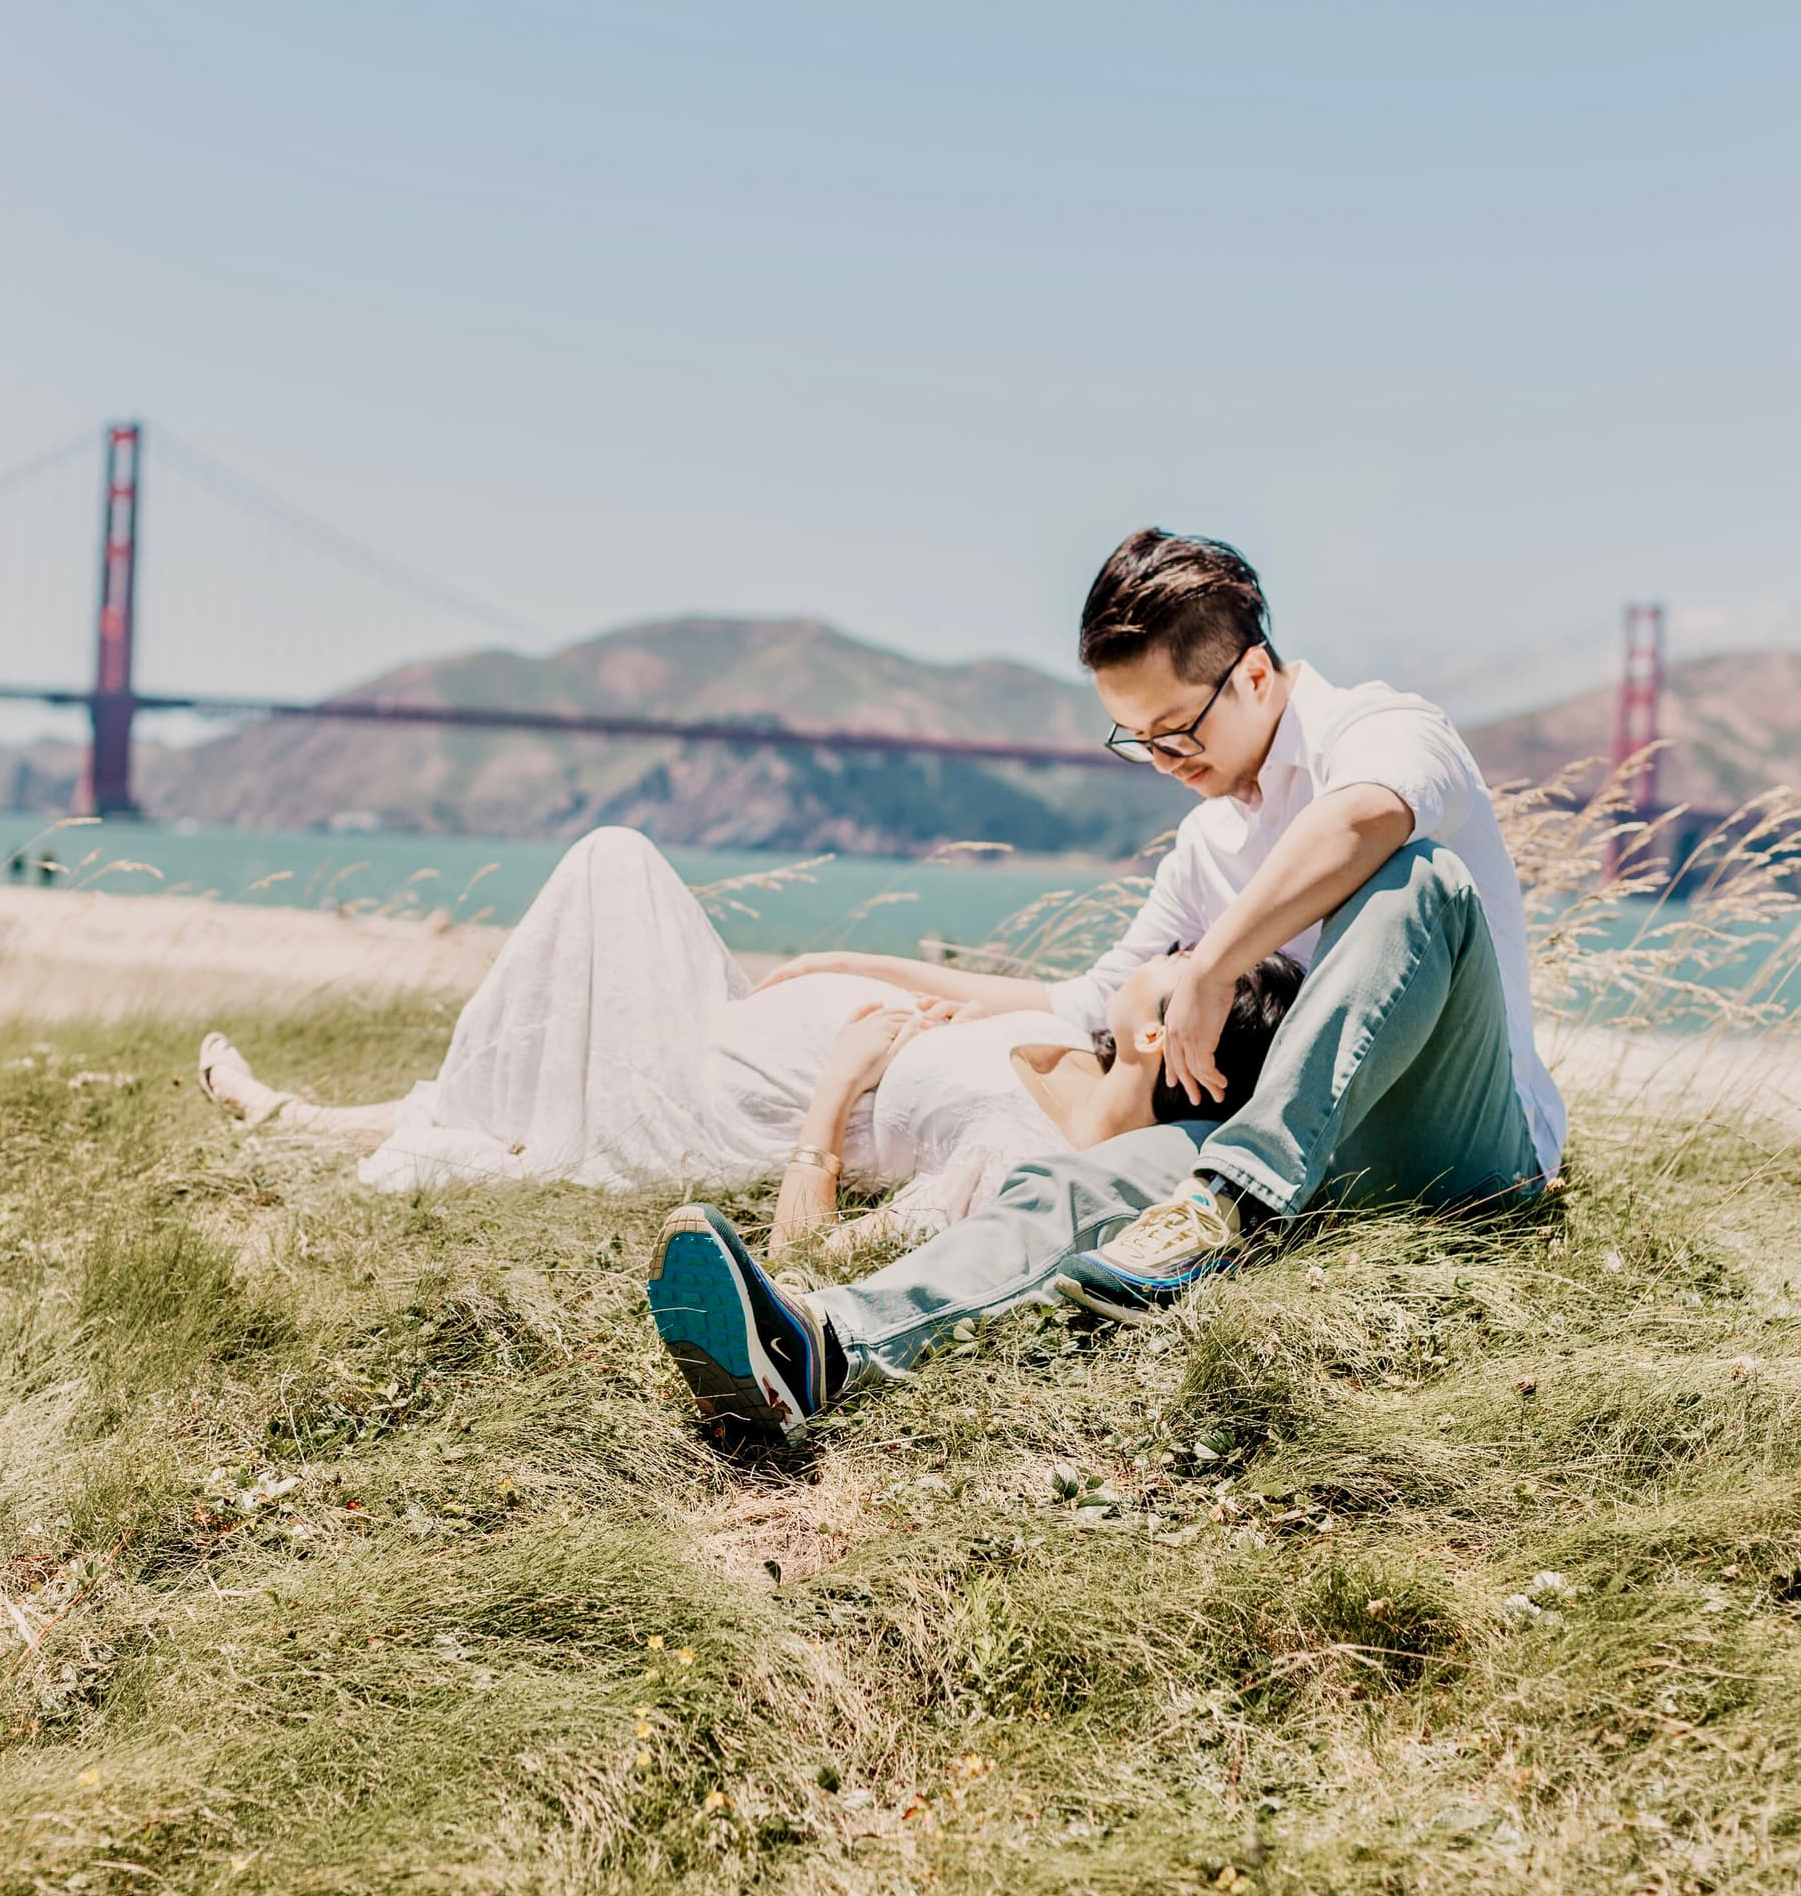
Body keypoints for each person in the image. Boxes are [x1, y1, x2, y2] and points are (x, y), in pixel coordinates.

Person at [643, 529, 1565, 1436]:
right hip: (1304, 1172)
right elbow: (1084, 1000)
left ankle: (1228, 1196)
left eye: (1177, 732)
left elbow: (1369, 816)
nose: (1165, 763)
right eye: (1137, 741)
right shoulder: (1208, 842)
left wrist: (1214, 962)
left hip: (1466, 1146)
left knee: (1417, 877)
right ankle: (821, 1348)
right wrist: (857, 966)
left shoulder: (1381, 727)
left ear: (1252, 674)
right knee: (1066, 1184)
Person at [196, 826, 1300, 1263]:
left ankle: (300, 1122)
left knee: (608, 865)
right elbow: (969, 995)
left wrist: (836, 1089)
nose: (1163, 955)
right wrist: (838, 967)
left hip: (708, 1105)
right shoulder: (1077, 1037)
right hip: (731, 1025)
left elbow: (812, 1258)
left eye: (1181, 966)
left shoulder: (1024, 1162)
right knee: (607, 893)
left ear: (1174, 1039)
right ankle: (305, 1117)